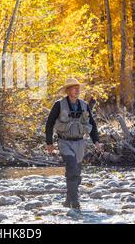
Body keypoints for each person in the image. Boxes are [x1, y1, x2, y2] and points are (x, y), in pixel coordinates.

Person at [45, 78, 102, 211]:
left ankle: (68, 200)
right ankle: (75, 201)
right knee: (71, 167)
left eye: (78, 87)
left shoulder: (84, 105)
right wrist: (49, 143)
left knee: (76, 172)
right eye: (73, 87)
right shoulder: (58, 105)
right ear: (67, 90)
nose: (77, 90)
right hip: (64, 141)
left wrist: (96, 141)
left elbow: (92, 124)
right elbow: (49, 124)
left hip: (80, 143)